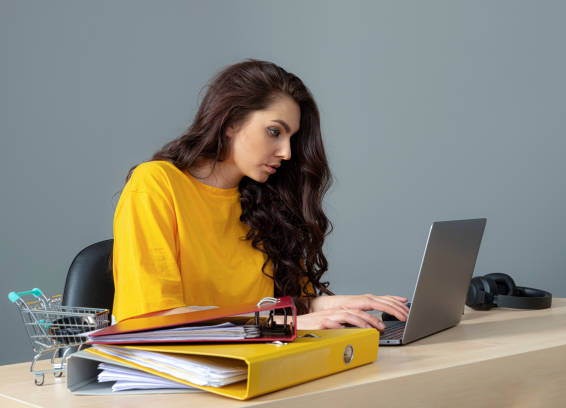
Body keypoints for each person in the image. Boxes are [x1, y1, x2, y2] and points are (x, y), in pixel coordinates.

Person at [112, 59, 409, 330]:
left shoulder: (264, 202)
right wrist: (288, 323)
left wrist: (333, 305)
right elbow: (151, 321)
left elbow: (283, 306)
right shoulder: (155, 185)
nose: (287, 152)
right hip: (182, 378)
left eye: (291, 138)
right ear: (231, 122)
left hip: (265, 366)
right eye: (274, 132)